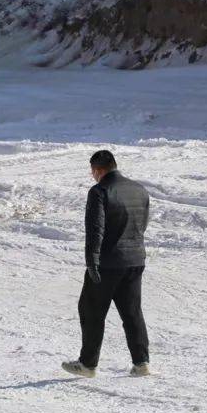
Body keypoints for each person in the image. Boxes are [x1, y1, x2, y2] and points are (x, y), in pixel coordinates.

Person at [63, 150, 151, 378]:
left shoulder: (100, 191)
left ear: (98, 170)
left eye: (93, 172)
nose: (93, 176)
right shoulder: (139, 189)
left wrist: (92, 261)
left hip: (108, 264)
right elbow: (143, 223)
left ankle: (88, 364)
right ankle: (141, 363)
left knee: (91, 311)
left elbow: (95, 230)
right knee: (132, 313)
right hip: (135, 260)